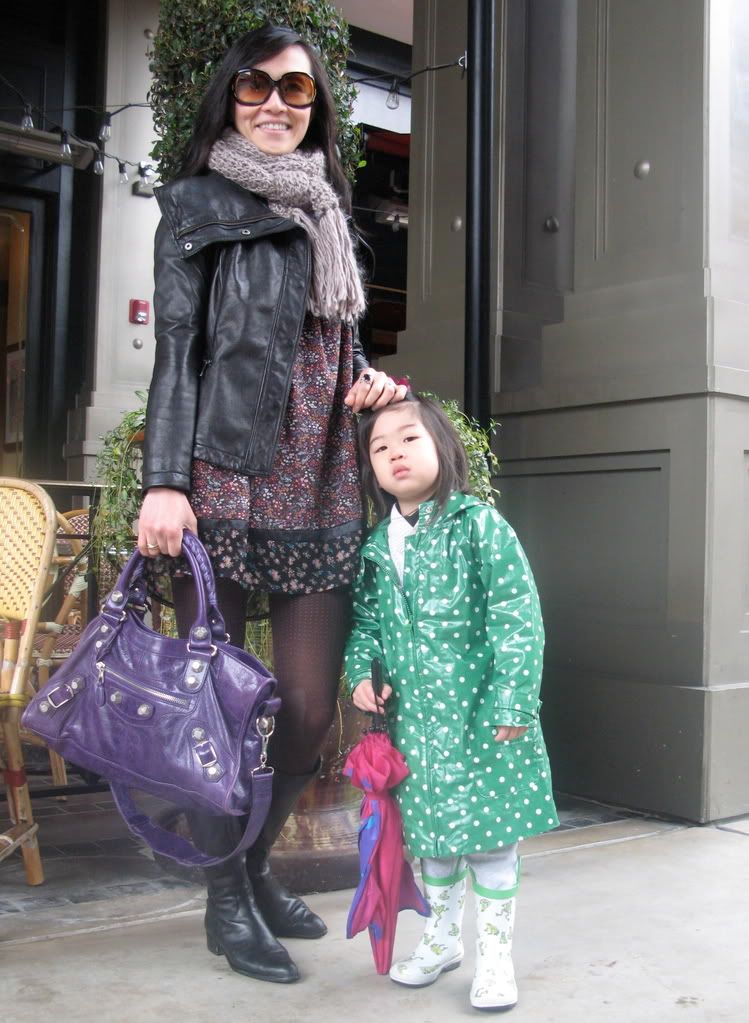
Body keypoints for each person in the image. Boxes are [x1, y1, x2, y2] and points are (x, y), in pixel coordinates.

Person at [137, 24, 407, 985]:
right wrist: (163, 480)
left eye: (296, 90)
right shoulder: (194, 205)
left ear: (317, 105)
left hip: (322, 476)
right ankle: (226, 897)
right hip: (224, 475)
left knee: (306, 709)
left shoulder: (328, 205)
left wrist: (370, 384)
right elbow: (179, 348)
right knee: (216, 705)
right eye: (255, 86)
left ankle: (250, 868)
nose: (275, 105)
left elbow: (332, 347)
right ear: (230, 96)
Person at [344, 392, 558, 1011]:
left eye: (409, 439)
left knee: (490, 840)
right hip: (415, 727)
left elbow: (517, 616)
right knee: (432, 839)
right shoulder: (378, 546)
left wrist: (514, 699)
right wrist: (360, 673)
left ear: (443, 446)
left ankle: (495, 956)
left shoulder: (478, 526)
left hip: (481, 719)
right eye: (380, 448)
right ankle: (441, 941)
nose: (395, 454)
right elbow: (366, 624)